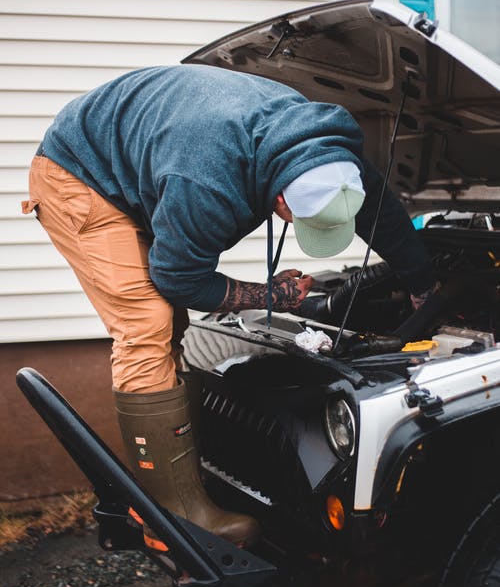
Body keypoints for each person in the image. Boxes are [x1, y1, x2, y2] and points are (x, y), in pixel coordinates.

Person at [22, 64, 436, 550]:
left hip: (154, 148)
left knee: (168, 326)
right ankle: (175, 518)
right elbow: (178, 279)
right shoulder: (209, 182)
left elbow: (378, 211)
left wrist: (422, 283)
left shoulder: (327, 150)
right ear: (280, 198)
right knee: (148, 327)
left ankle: (185, 467)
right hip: (80, 173)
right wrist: (271, 296)